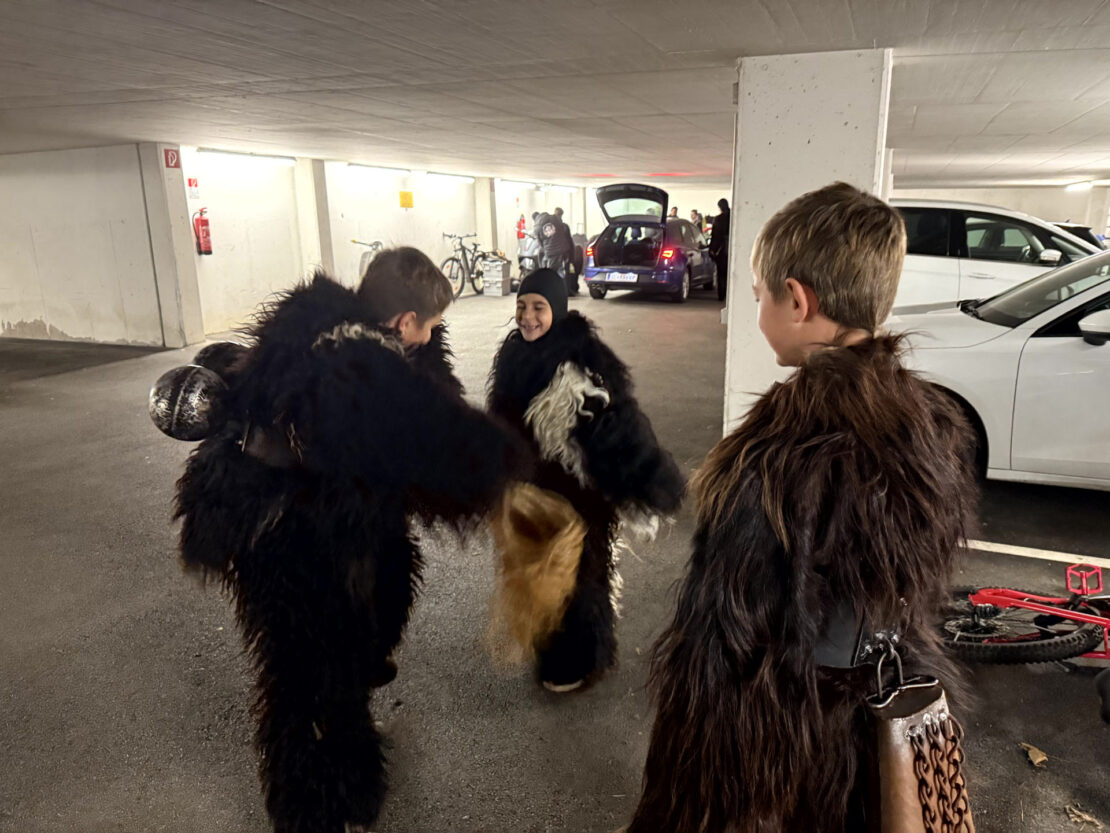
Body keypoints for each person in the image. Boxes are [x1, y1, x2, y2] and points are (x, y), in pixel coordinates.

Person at [626, 183, 978, 833]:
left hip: (788, 746)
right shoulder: (932, 426)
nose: (755, 307)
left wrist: (675, 804)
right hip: (880, 723)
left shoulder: (775, 459)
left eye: (758, 293)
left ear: (798, 300)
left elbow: (721, 650)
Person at [170, 248, 529, 833]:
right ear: (404, 322)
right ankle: (315, 807)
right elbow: (441, 442)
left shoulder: (320, 329)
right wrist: (514, 468)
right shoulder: (359, 366)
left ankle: (339, 771)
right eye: (430, 327)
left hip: (307, 526)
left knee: (348, 639)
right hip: (290, 539)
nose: (433, 336)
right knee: (304, 676)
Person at [488, 269, 684, 692]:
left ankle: (582, 660)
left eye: (538, 308)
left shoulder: (584, 360)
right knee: (540, 574)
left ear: (557, 310)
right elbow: (500, 419)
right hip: (534, 489)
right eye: (521, 307)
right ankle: (554, 654)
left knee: (580, 576)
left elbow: (621, 422)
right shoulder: (513, 356)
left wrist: (646, 477)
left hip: (580, 495)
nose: (527, 317)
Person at [538, 209, 575, 294]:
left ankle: (553, 291)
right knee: (559, 272)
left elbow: (540, 240)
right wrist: (570, 253)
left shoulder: (542, 225)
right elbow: (567, 240)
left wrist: (545, 249)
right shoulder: (562, 225)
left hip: (549, 252)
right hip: (560, 252)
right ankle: (561, 291)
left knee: (552, 272)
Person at [708, 197, 730, 301]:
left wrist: (712, 250)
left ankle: (721, 294)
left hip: (721, 251)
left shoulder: (718, 219)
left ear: (719, 207)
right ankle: (730, 293)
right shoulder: (734, 217)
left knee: (721, 273)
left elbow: (714, 236)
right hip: (732, 249)